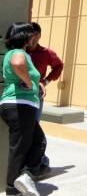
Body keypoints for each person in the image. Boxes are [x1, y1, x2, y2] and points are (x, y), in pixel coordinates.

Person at [0, 23, 45, 196]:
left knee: (35, 142)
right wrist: (28, 82)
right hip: (20, 106)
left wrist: (36, 84)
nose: (34, 38)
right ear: (25, 37)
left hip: (15, 105)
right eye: (32, 35)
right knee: (22, 147)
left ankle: (22, 178)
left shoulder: (12, 52)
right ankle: (14, 188)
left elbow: (18, 70)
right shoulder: (19, 53)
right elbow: (18, 64)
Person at [28, 22, 64, 168]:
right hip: (19, 94)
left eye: (34, 35)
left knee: (34, 127)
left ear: (39, 35)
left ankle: (40, 160)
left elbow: (59, 66)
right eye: (29, 35)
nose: (31, 38)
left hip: (36, 94)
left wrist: (46, 81)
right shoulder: (20, 52)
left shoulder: (46, 53)